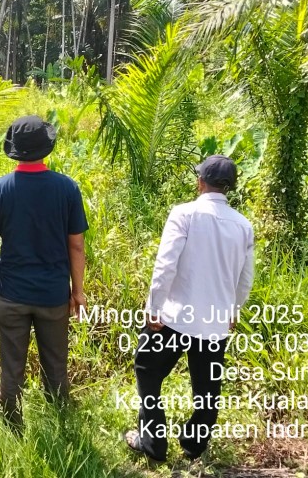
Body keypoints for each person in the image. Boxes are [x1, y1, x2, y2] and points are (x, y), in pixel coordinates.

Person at [125, 154, 254, 461]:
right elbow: (245, 278)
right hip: (214, 322)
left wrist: (154, 307)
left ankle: (153, 442)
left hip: (174, 318)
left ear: (200, 182)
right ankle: (194, 445)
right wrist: (234, 311)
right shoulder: (243, 226)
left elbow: (166, 265)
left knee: (147, 369)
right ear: (229, 188)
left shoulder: (184, 214)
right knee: (207, 387)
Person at [0, 115, 88, 427]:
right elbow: (76, 246)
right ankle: (61, 427)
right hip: (52, 296)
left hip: (11, 296)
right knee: (56, 367)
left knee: (11, 371)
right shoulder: (67, 189)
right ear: (46, 149)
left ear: (14, 151)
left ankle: (10, 428)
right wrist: (78, 292)